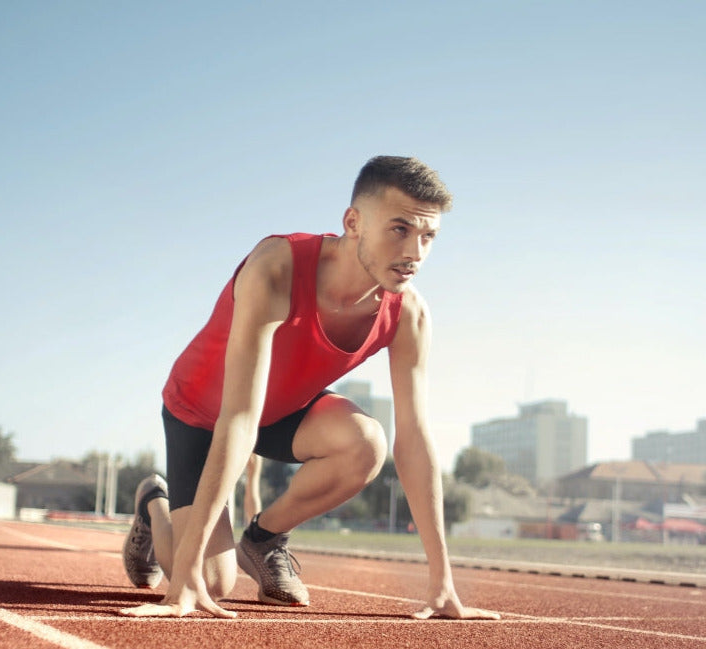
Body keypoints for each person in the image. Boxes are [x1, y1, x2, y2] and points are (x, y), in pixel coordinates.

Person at [121, 155, 500, 621]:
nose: (415, 253)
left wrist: (442, 582)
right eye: (400, 229)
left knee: (366, 443)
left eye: (429, 236)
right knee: (212, 581)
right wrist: (184, 578)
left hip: (282, 413)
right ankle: (153, 506)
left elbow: (416, 440)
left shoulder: (409, 314)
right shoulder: (276, 267)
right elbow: (238, 416)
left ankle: (262, 540)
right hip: (202, 413)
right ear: (353, 222)